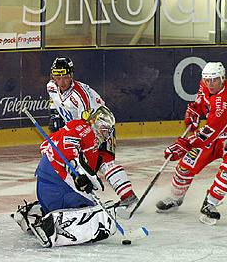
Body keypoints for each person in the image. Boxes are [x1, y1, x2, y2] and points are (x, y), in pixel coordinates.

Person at [156, 62, 227, 225]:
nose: (210, 84)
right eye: (207, 79)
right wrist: (194, 112)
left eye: (214, 80)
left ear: (222, 79)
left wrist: (185, 144)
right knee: (186, 166)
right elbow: (201, 103)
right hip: (213, 134)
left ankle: (211, 203)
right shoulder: (205, 84)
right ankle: (176, 197)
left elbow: (210, 132)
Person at [13, 106, 120, 247]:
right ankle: (48, 226)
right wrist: (78, 173)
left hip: (46, 187)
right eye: (105, 129)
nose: (106, 134)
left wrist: (81, 174)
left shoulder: (76, 125)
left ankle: (35, 213)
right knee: (93, 210)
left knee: (86, 199)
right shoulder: (87, 132)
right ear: (96, 124)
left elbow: (45, 146)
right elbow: (69, 152)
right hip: (55, 188)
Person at [46, 57, 138, 216]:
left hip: (99, 124)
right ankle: (79, 199)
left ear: (71, 75)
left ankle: (128, 197)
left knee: (102, 161)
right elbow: (55, 104)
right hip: (78, 127)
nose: (61, 81)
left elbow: (85, 125)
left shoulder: (78, 96)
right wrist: (55, 118)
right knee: (76, 163)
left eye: (65, 76)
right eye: (57, 76)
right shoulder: (51, 87)